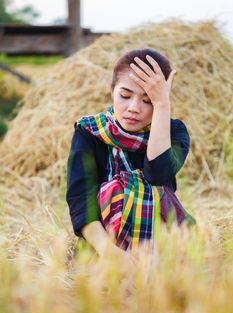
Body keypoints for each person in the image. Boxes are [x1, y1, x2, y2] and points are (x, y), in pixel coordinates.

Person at [66, 48, 195, 261]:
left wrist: (163, 105)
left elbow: (158, 176)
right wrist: (112, 255)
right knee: (115, 189)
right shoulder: (89, 132)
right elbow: (81, 198)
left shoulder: (174, 132)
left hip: (161, 242)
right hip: (103, 248)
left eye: (148, 101)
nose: (133, 108)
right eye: (125, 96)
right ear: (112, 91)